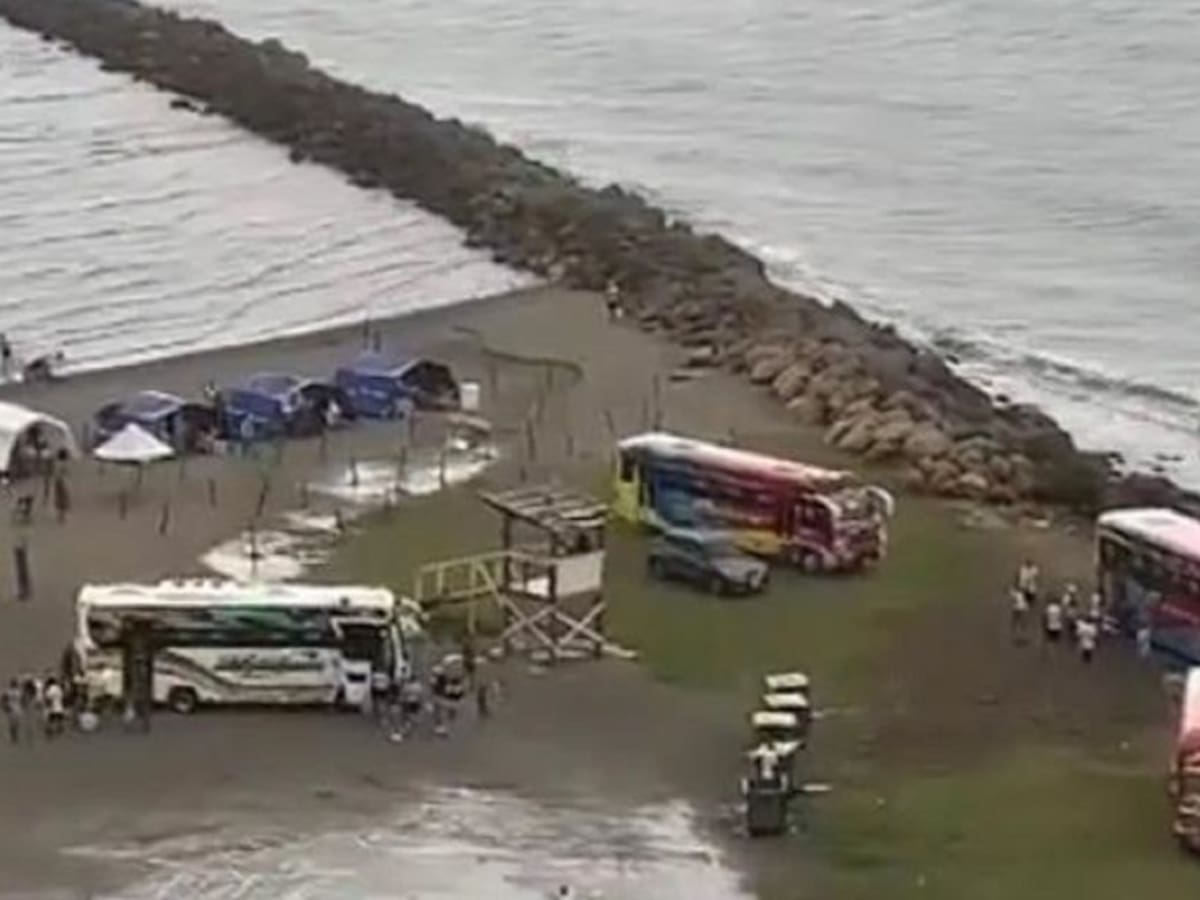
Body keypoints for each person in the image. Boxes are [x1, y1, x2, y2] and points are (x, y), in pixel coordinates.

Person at [2, 678, 22, 744]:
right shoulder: (16, 692)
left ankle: (13, 736)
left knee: (14, 724)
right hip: (15, 709)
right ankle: (14, 737)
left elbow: (3, 700)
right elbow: (3, 699)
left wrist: (4, 707)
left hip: (14, 709)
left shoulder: (11, 692)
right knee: (14, 724)